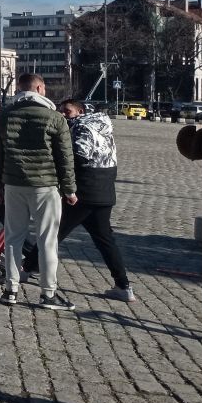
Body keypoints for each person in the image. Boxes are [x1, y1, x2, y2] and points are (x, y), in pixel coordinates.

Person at [0, 73, 77, 310]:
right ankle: (48, 294)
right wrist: (70, 190)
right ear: (40, 88)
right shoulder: (55, 118)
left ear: (19, 90)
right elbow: (65, 158)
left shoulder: (2, 117)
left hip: (13, 186)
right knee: (47, 241)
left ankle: (10, 290)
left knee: (13, 238)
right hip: (45, 186)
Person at [57, 99, 136, 302]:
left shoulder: (83, 126)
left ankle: (29, 267)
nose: (64, 115)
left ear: (80, 111)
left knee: (55, 230)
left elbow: (79, 156)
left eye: (67, 111)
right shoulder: (102, 125)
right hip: (104, 190)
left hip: (84, 191)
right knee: (104, 239)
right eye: (62, 112)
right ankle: (123, 285)